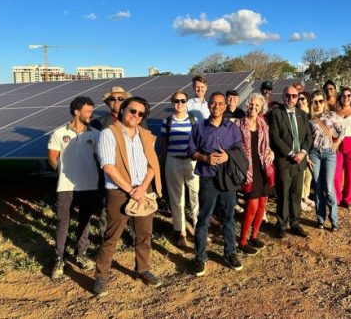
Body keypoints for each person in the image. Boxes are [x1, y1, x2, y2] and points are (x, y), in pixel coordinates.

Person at [93, 96, 162, 297]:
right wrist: (131, 190)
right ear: (123, 110)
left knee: (144, 234)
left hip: (144, 191)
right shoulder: (109, 133)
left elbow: (153, 165)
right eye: (132, 111)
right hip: (119, 192)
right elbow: (108, 166)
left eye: (141, 113)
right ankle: (101, 276)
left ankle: (143, 269)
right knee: (111, 236)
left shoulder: (145, 135)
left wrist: (142, 188)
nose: (136, 116)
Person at [189, 92, 244, 276]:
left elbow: (239, 148)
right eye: (214, 103)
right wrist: (204, 157)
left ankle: (230, 253)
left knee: (229, 218)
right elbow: (192, 151)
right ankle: (200, 257)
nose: (217, 106)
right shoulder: (199, 127)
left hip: (227, 179)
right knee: (203, 219)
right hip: (207, 178)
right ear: (209, 105)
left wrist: (228, 155)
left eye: (221, 103)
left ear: (224, 106)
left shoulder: (232, 127)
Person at [47, 96, 100, 281]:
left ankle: (81, 254)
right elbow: (52, 158)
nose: (91, 115)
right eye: (88, 111)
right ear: (77, 112)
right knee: (63, 223)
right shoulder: (59, 133)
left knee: (85, 222)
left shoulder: (95, 134)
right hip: (66, 187)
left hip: (89, 185)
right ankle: (59, 259)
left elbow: (99, 158)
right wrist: (64, 173)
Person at [91, 86, 138, 247]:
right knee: (108, 205)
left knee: (134, 201)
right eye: (113, 99)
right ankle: (108, 238)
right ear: (107, 103)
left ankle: (134, 236)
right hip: (110, 170)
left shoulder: (136, 118)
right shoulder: (99, 123)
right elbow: (96, 150)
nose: (117, 102)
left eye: (121, 99)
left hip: (132, 170)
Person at [268, 85, 312, 239]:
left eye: (294, 96)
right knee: (283, 194)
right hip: (285, 160)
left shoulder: (302, 115)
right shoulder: (275, 114)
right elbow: (275, 137)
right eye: (288, 95)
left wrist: (303, 153)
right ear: (283, 96)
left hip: (300, 161)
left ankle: (295, 223)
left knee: (296, 193)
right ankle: (281, 224)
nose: (291, 99)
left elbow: (308, 137)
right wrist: (292, 153)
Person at [235, 93, 275, 255]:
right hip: (249, 170)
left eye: (257, 105)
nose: (253, 107)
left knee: (262, 205)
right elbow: (235, 147)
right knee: (251, 206)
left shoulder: (263, 123)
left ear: (261, 108)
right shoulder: (238, 124)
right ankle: (242, 241)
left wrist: (271, 152)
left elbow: (266, 144)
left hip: (263, 167)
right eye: (251, 104)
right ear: (247, 105)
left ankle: (254, 236)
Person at [160, 91, 199, 248]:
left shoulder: (193, 120)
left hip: (191, 162)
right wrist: (164, 161)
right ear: (172, 103)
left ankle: (199, 230)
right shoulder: (167, 121)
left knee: (196, 197)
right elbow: (163, 144)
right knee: (177, 199)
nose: (180, 103)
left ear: (187, 103)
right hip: (173, 162)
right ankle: (181, 232)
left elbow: (198, 140)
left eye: (183, 101)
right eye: (176, 101)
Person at [308, 90, 344, 230]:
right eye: (315, 101)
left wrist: (337, 142)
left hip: (329, 153)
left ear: (324, 102)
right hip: (315, 153)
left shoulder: (331, 115)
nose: (318, 104)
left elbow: (342, 129)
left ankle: (334, 218)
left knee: (329, 187)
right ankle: (320, 218)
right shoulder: (309, 119)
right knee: (317, 186)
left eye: (321, 101)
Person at [297, 91, 315, 212]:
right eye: (299, 99)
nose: (301, 101)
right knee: (301, 175)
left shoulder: (312, 115)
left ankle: (305, 196)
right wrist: (305, 154)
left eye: (303, 99)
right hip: (302, 150)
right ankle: (298, 199)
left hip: (313, 148)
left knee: (309, 175)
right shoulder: (297, 115)